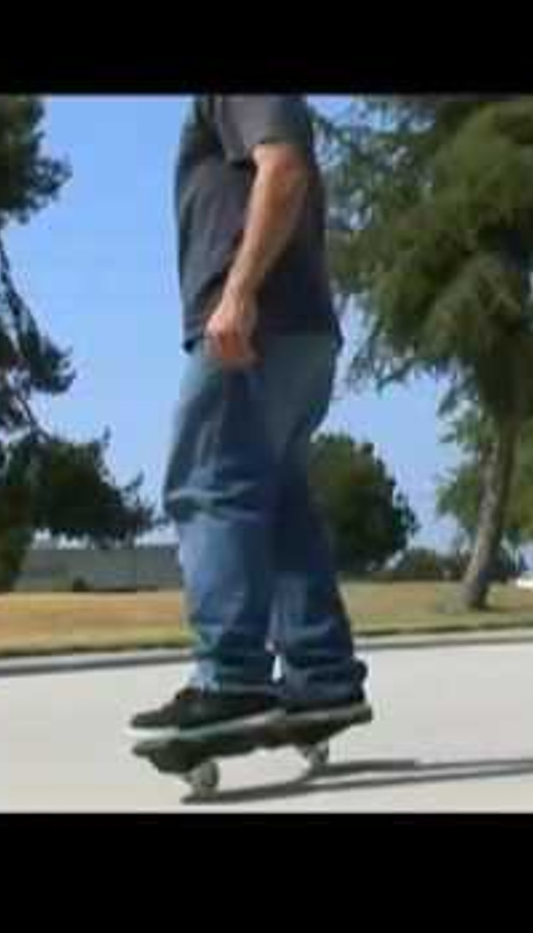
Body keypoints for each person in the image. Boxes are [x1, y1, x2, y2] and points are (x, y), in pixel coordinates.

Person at [128, 96, 370, 742]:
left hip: (255, 325)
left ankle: (230, 679)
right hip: (297, 327)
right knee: (281, 503)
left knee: (209, 485)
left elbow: (283, 169)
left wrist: (236, 296)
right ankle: (323, 675)